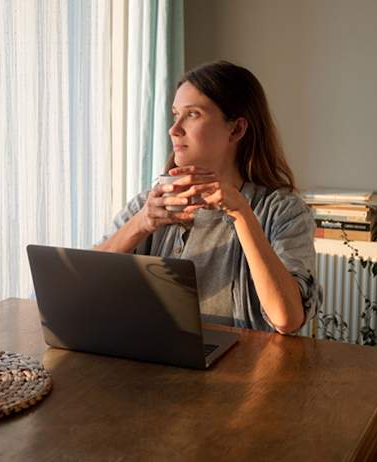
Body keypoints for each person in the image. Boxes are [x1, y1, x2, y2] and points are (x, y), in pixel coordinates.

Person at [95, 60, 322, 334]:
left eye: (193, 114)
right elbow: (85, 282)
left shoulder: (284, 212)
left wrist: (240, 212)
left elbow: (287, 319)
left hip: (245, 372)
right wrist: (142, 222)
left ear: (236, 130)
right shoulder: (151, 204)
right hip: (156, 365)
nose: (174, 129)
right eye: (175, 114)